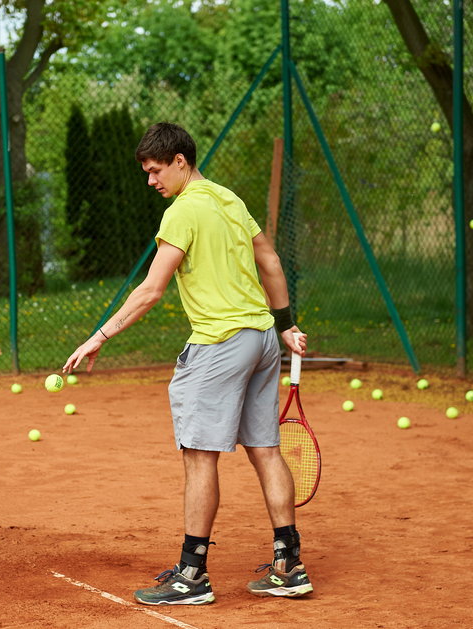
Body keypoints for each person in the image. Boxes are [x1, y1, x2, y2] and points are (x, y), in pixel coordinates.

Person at [63, 122, 313, 606]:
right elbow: (271, 262)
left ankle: (192, 575)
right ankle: (290, 564)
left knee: (200, 456)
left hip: (220, 343)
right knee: (264, 448)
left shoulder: (182, 213)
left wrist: (100, 335)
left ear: (180, 161)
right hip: (261, 340)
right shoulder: (228, 199)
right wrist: (284, 324)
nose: (151, 181)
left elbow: (152, 290)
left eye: (156, 171)